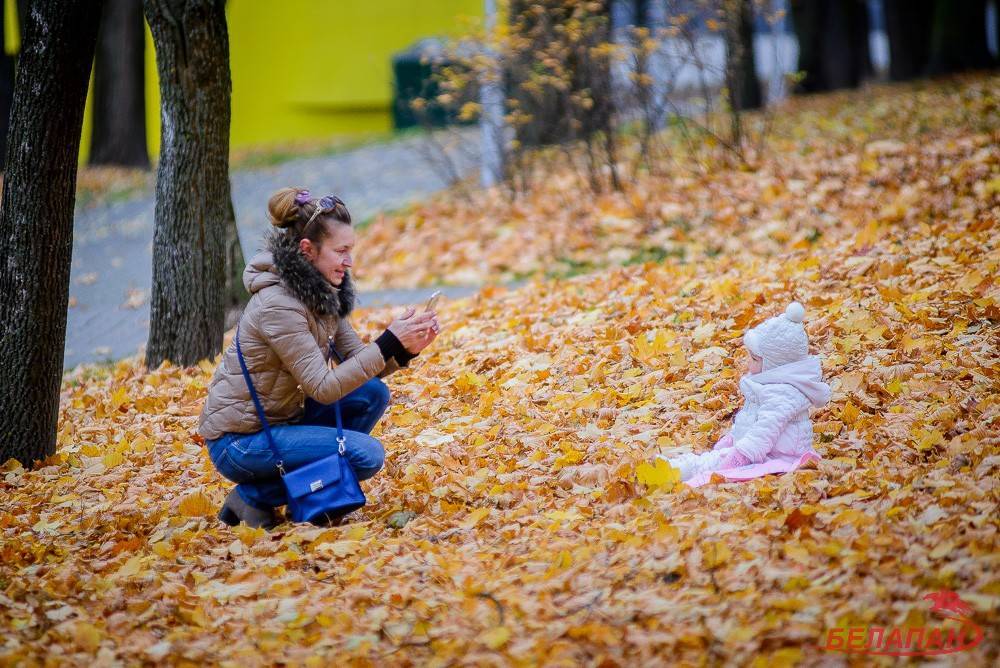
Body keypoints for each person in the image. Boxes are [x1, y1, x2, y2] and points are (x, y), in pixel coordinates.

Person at [198, 187, 440, 528]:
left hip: (284, 419)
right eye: (341, 251)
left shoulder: (321, 291)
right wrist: (388, 341)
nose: (349, 261)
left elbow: (359, 361)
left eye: (350, 250)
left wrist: (404, 347)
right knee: (366, 454)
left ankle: (289, 496)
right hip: (240, 441)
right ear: (307, 250)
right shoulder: (279, 305)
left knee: (372, 394)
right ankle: (252, 497)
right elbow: (324, 388)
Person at [658, 302, 831, 488]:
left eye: (755, 359)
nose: (749, 362)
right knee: (713, 459)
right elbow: (751, 420)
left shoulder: (783, 393)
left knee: (714, 464)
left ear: (775, 365)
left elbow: (765, 430)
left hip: (774, 455)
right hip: (760, 448)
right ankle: (672, 469)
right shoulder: (771, 384)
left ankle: (671, 472)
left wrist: (741, 456)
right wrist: (733, 437)